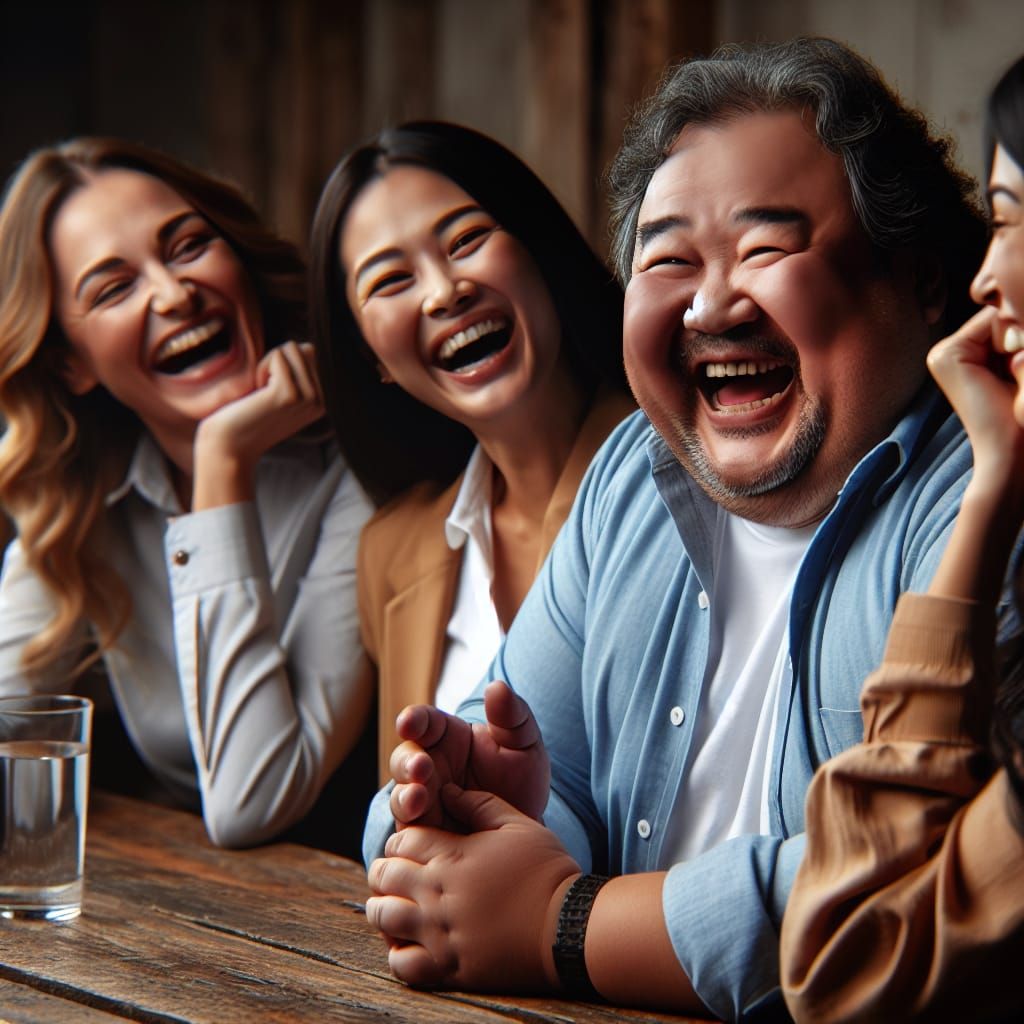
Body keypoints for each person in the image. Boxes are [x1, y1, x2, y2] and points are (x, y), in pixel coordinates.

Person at [361, 38, 1020, 1019]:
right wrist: (495, 816)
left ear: (921, 280)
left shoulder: (981, 499)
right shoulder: (632, 475)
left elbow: (907, 899)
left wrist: (564, 918)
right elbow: (434, 822)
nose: (711, 302)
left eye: (764, 249)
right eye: (667, 261)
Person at [0, 138, 374, 849]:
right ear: (71, 363)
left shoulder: (359, 466)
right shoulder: (89, 495)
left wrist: (222, 462)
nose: (174, 295)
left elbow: (252, 802)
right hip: (189, 919)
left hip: (353, 908)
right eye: (113, 289)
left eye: (188, 246)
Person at [780, 55, 1024, 1024]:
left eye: (1011, 222)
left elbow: (847, 960)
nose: (988, 276)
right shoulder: (631, 468)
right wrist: (999, 483)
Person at [308, 122, 633, 783]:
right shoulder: (390, 551)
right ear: (374, 358)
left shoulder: (679, 472)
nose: (443, 291)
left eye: (466, 241)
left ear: (536, 248)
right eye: (389, 281)